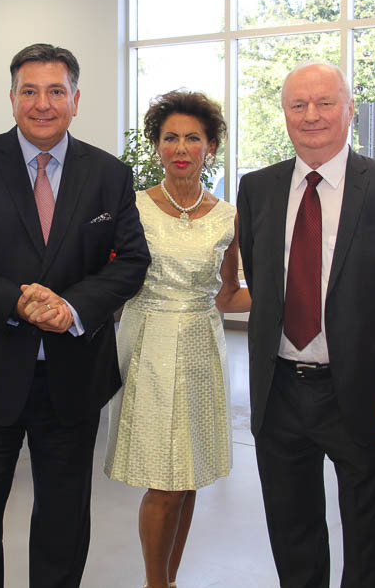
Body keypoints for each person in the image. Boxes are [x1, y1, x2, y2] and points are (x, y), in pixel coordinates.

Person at [0, 42, 151, 588]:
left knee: (64, 519)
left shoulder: (109, 174)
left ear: (76, 99)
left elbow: (132, 261)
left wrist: (72, 307)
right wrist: (17, 301)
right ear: (12, 98)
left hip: (73, 376)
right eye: (29, 91)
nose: (42, 104)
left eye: (55, 91)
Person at [237, 60, 375, 588]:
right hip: (279, 388)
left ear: (349, 109)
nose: (312, 115)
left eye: (325, 103)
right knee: (291, 529)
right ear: (284, 113)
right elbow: (261, 279)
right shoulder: (258, 187)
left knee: (368, 535)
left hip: (360, 389)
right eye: (298, 105)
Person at [104, 90, 250, 588]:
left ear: (211, 146)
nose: (181, 148)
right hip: (149, 344)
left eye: (192, 138)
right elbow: (110, 282)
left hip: (203, 348)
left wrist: (295, 297)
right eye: (170, 138)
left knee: (188, 480)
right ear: (157, 146)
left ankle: (168, 579)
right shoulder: (133, 207)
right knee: (163, 482)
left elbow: (227, 295)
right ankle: (155, 582)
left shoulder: (228, 216)